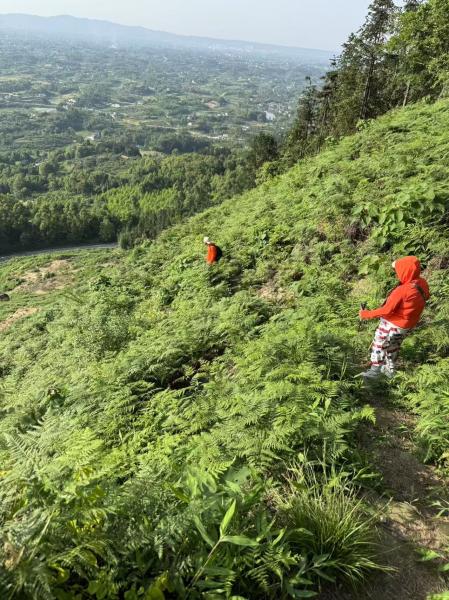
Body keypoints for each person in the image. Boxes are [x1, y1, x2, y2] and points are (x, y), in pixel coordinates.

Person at [359, 256, 430, 380]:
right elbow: (426, 297)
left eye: (398, 270)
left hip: (392, 324)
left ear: (405, 271)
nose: (397, 273)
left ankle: (374, 372)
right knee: (393, 347)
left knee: (379, 345)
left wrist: (366, 314)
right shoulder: (422, 283)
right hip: (406, 326)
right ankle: (390, 371)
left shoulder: (402, 290)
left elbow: (386, 310)